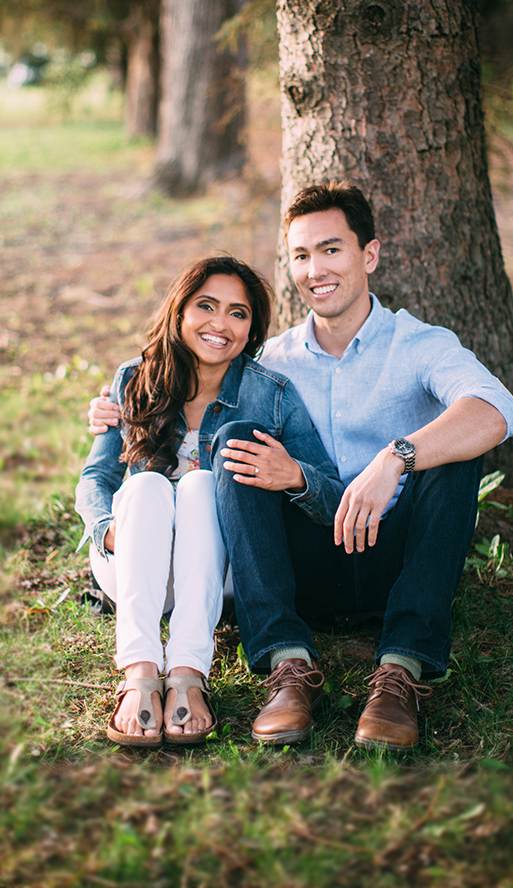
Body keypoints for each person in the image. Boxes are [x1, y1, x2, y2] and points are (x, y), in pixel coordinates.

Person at [88, 183, 513, 752]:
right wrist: (116, 411)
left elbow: (497, 410)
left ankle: (400, 674)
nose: (316, 269)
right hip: (306, 560)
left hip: (399, 556)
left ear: (369, 255)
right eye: (300, 255)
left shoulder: (419, 345)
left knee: (455, 449)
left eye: (331, 249)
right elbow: (189, 405)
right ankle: (287, 668)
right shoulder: (269, 364)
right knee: (241, 441)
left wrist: (396, 458)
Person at [76, 255, 344, 747]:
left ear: (252, 329)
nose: (221, 324)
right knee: (147, 485)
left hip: (218, 576)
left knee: (201, 485)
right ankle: (138, 671)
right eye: (207, 306)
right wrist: (108, 529)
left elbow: (330, 493)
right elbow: (95, 476)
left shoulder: (272, 396)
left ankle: (186, 673)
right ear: (180, 312)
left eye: (238, 314)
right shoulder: (134, 378)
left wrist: (292, 475)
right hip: (133, 562)